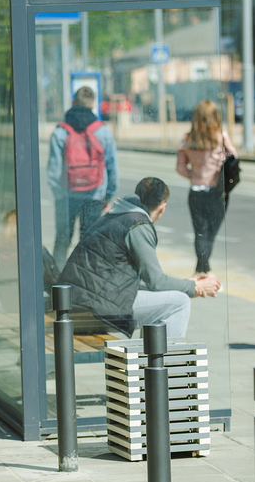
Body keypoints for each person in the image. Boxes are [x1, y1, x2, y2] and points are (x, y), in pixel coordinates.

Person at [60, 177, 220, 340]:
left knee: (170, 298)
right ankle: (166, 362)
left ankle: (153, 361)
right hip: (94, 310)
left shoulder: (115, 214)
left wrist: (187, 283)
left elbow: (138, 281)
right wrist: (192, 287)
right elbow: (156, 282)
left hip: (76, 304)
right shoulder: (138, 225)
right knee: (180, 302)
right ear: (162, 208)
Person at [47, 85, 118, 270]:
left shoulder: (60, 132)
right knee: (89, 244)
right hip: (94, 197)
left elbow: (53, 172)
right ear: (93, 104)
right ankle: (85, 282)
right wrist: (107, 196)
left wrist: (60, 196)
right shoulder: (102, 132)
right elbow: (112, 169)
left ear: (74, 102)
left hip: (67, 198)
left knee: (62, 241)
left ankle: (57, 282)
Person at [176, 99, 238, 274]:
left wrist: (194, 176)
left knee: (200, 232)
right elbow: (234, 157)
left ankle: (201, 270)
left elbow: (180, 167)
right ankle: (204, 271)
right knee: (210, 233)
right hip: (217, 191)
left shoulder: (188, 139)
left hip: (196, 191)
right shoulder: (221, 136)